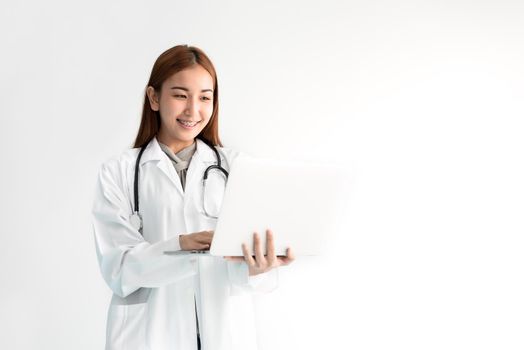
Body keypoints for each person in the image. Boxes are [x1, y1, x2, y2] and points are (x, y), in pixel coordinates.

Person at [91, 44, 295, 350]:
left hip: (224, 333)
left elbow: (246, 275)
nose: (193, 110)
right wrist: (180, 245)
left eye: (204, 97)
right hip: (149, 335)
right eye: (180, 95)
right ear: (154, 98)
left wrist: (259, 267)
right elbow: (119, 270)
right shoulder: (118, 172)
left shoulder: (238, 168)